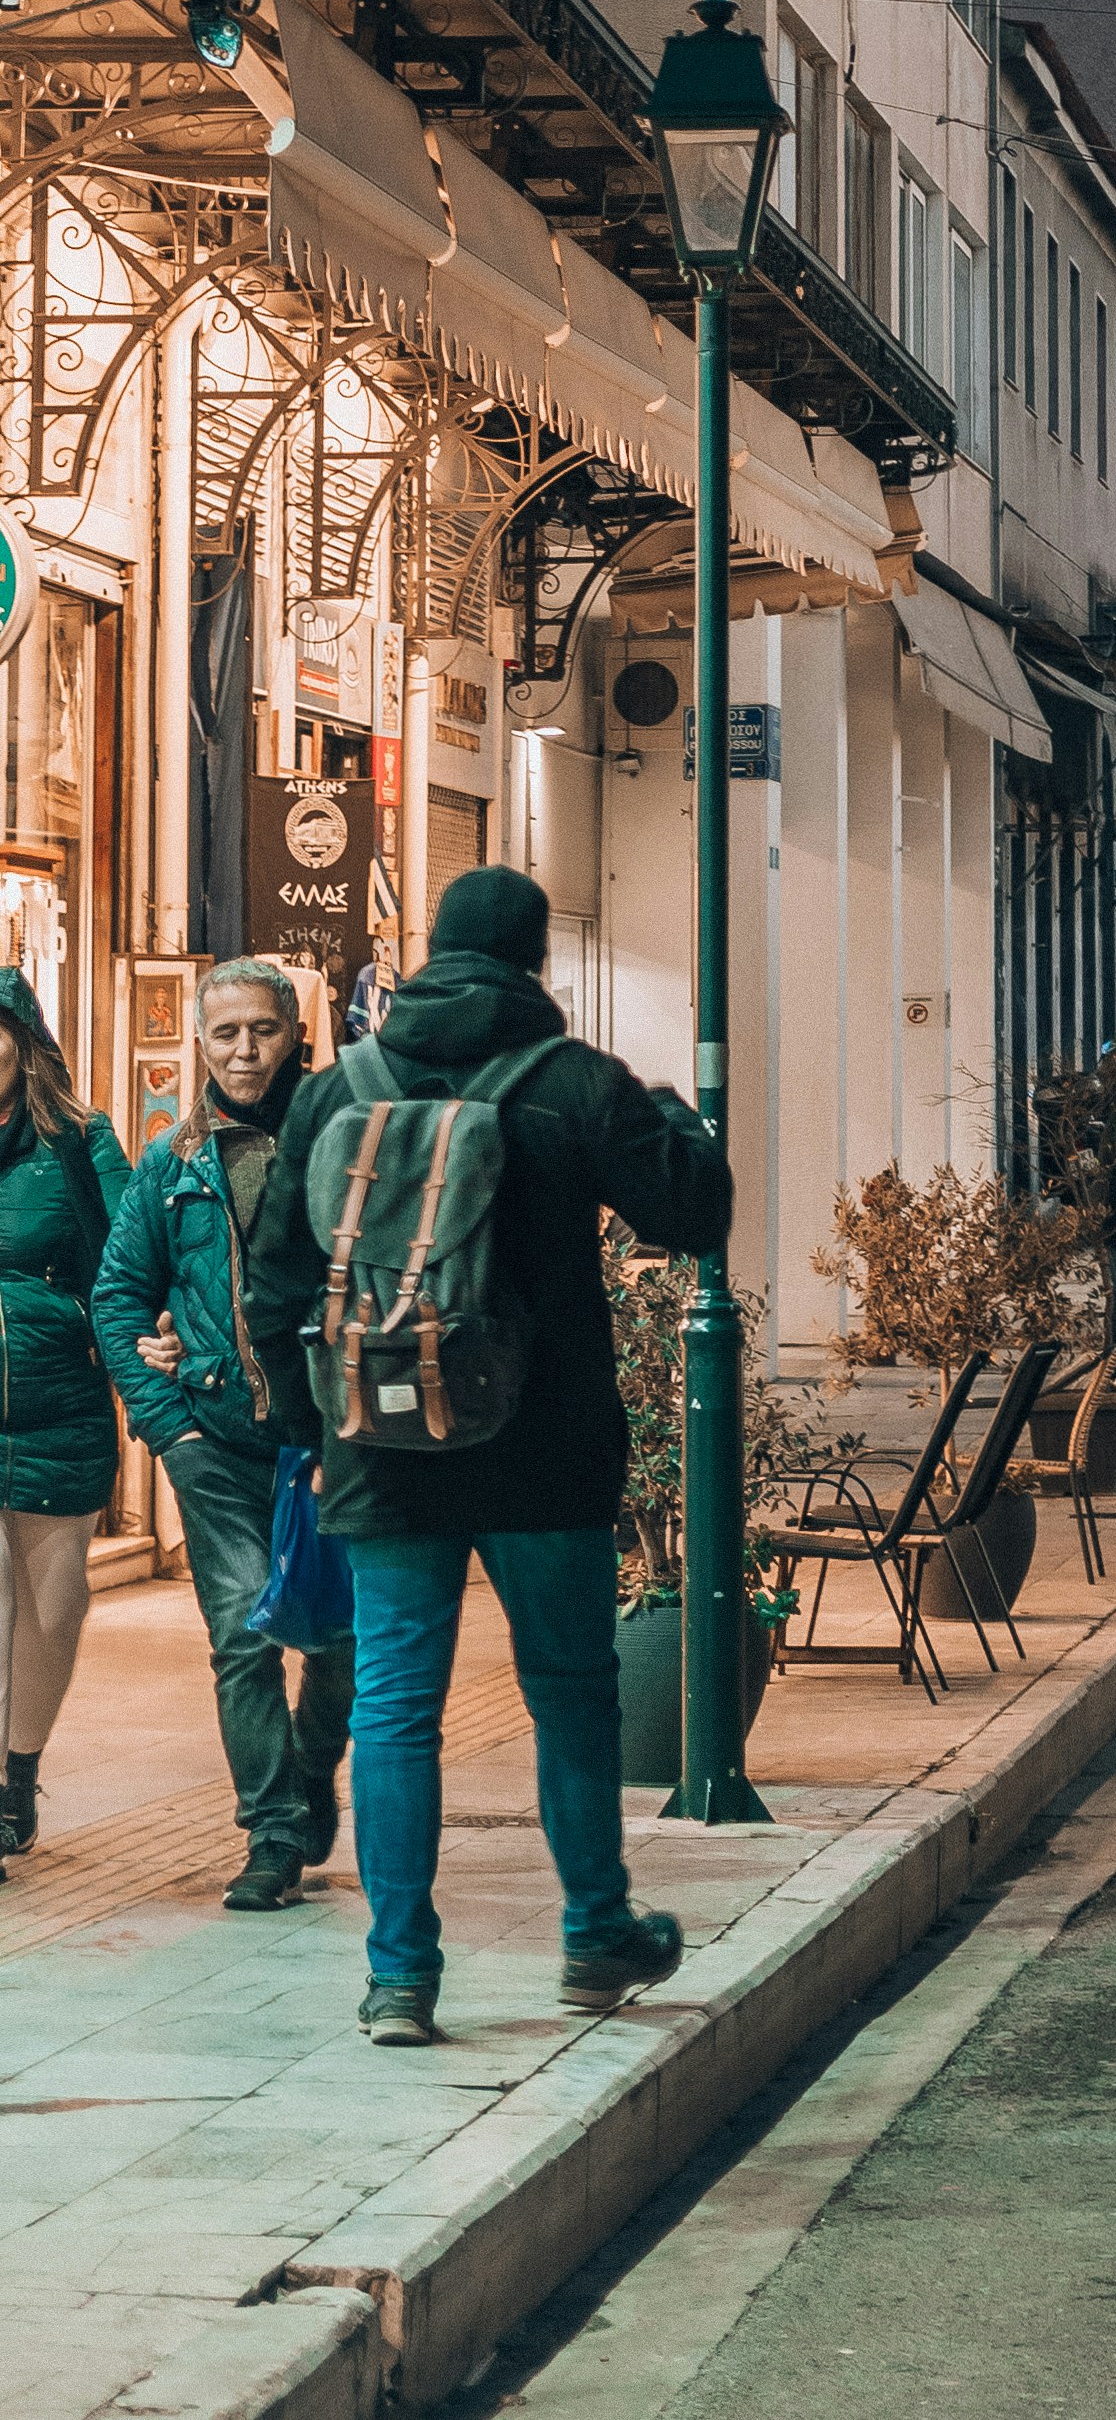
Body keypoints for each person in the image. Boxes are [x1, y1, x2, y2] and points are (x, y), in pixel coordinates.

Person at [248, 865, 727, 2047]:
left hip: (383, 1450)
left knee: (399, 1710)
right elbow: (694, 1216)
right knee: (569, 1695)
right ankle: (594, 1933)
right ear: (534, 961)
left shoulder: (336, 1089)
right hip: (543, 1449)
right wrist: (668, 1113)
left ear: (429, 956)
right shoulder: (572, 1084)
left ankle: (401, 1978)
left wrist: (314, 1432)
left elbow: (271, 1283)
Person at [92, 958, 352, 1910]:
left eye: (263, 1031)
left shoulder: (341, 1140)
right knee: (244, 1637)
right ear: (200, 1043)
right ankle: (274, 1835)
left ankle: (314, 1765)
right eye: (224, 1033)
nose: (244, 1051)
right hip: (217, 1447)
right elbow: (117, 1296)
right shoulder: (172, 1162)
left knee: (337, 1638)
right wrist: (170, 1434)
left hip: (332, 1443)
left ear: (295, 1033)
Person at [0, 969, 131, 1871]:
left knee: (52, 1607)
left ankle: (18, 1778)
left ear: (22, 1041)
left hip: (58, 1406)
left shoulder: (81, 1143)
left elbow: (129, 1263)